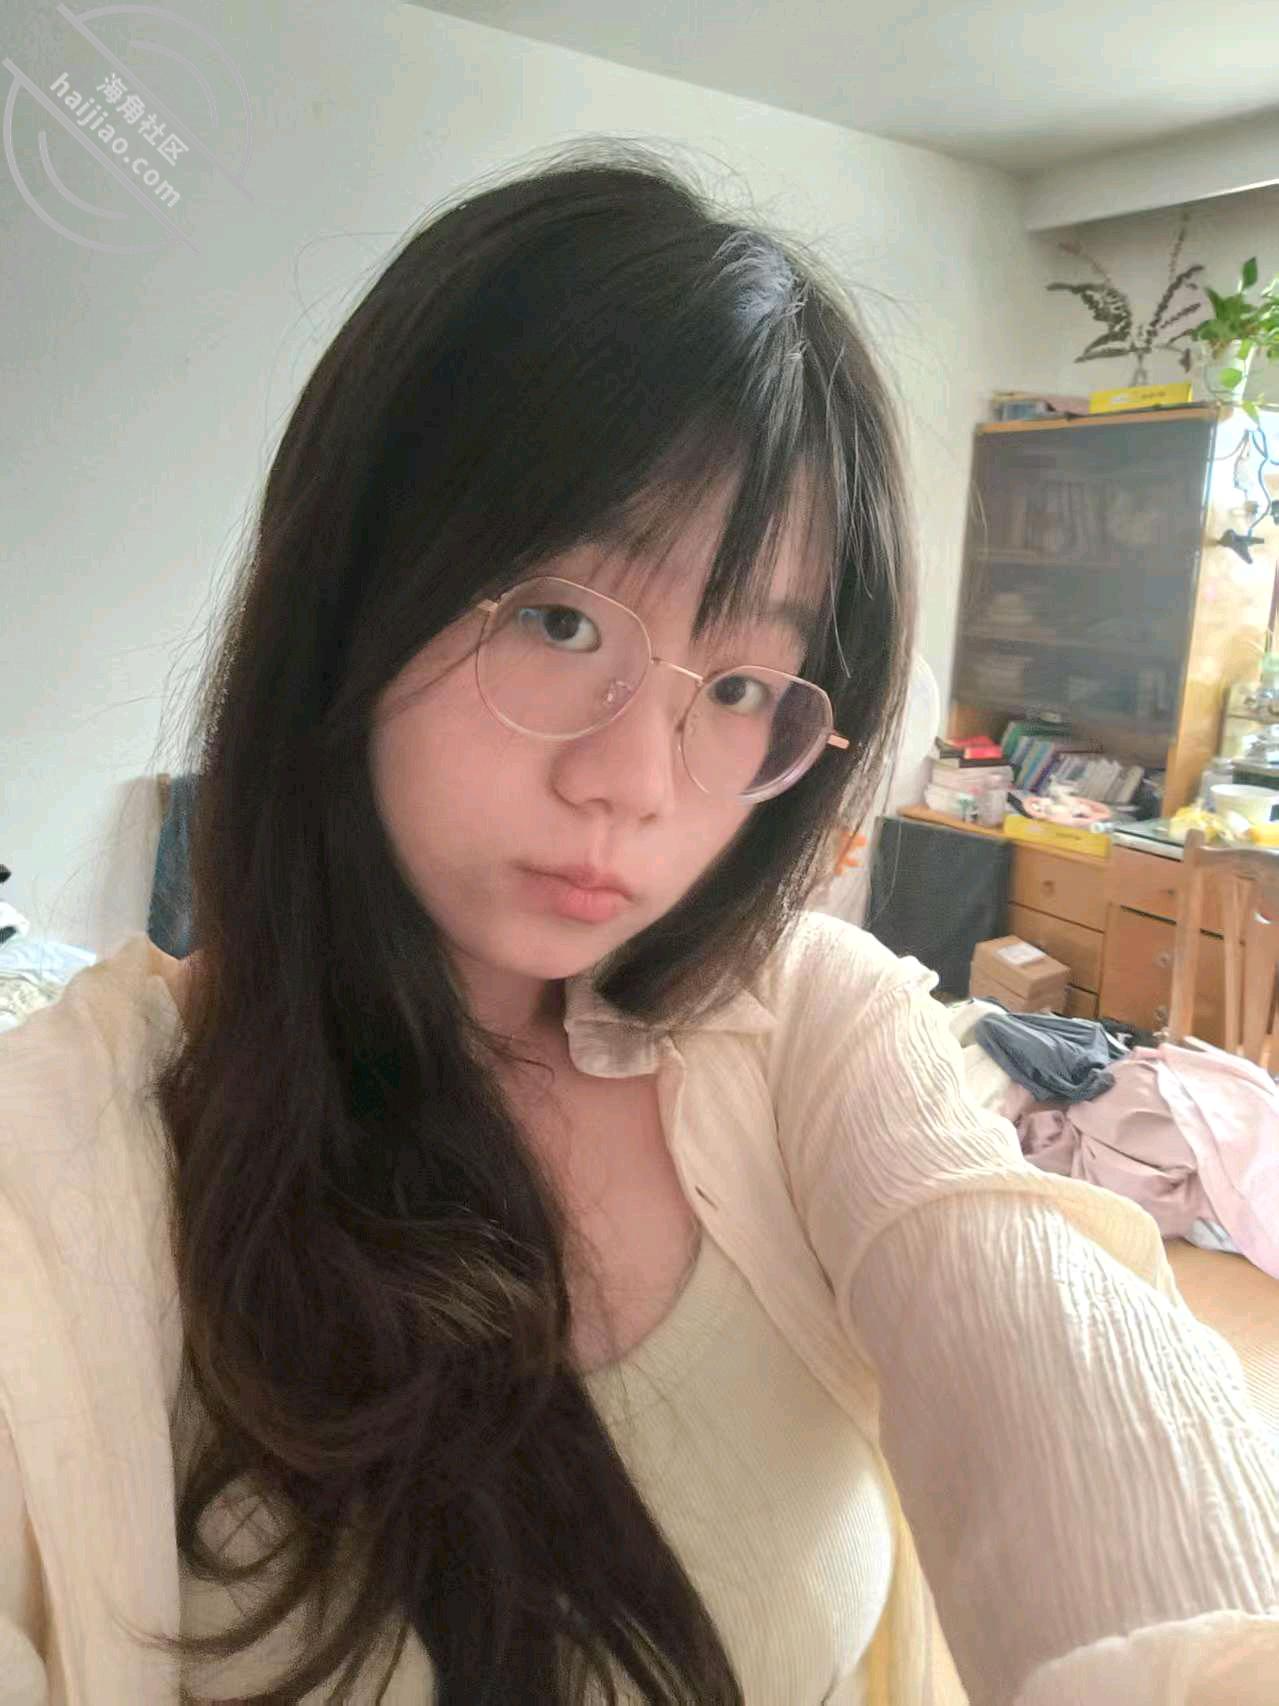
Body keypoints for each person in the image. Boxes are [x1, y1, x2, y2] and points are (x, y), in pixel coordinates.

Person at [1, 142, 1276, 1706]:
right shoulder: (61, 1167)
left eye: (737, 685)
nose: (635, 781)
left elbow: (1057, 1369)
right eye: (557, 619)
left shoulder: (806, 1024)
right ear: (349, 592)